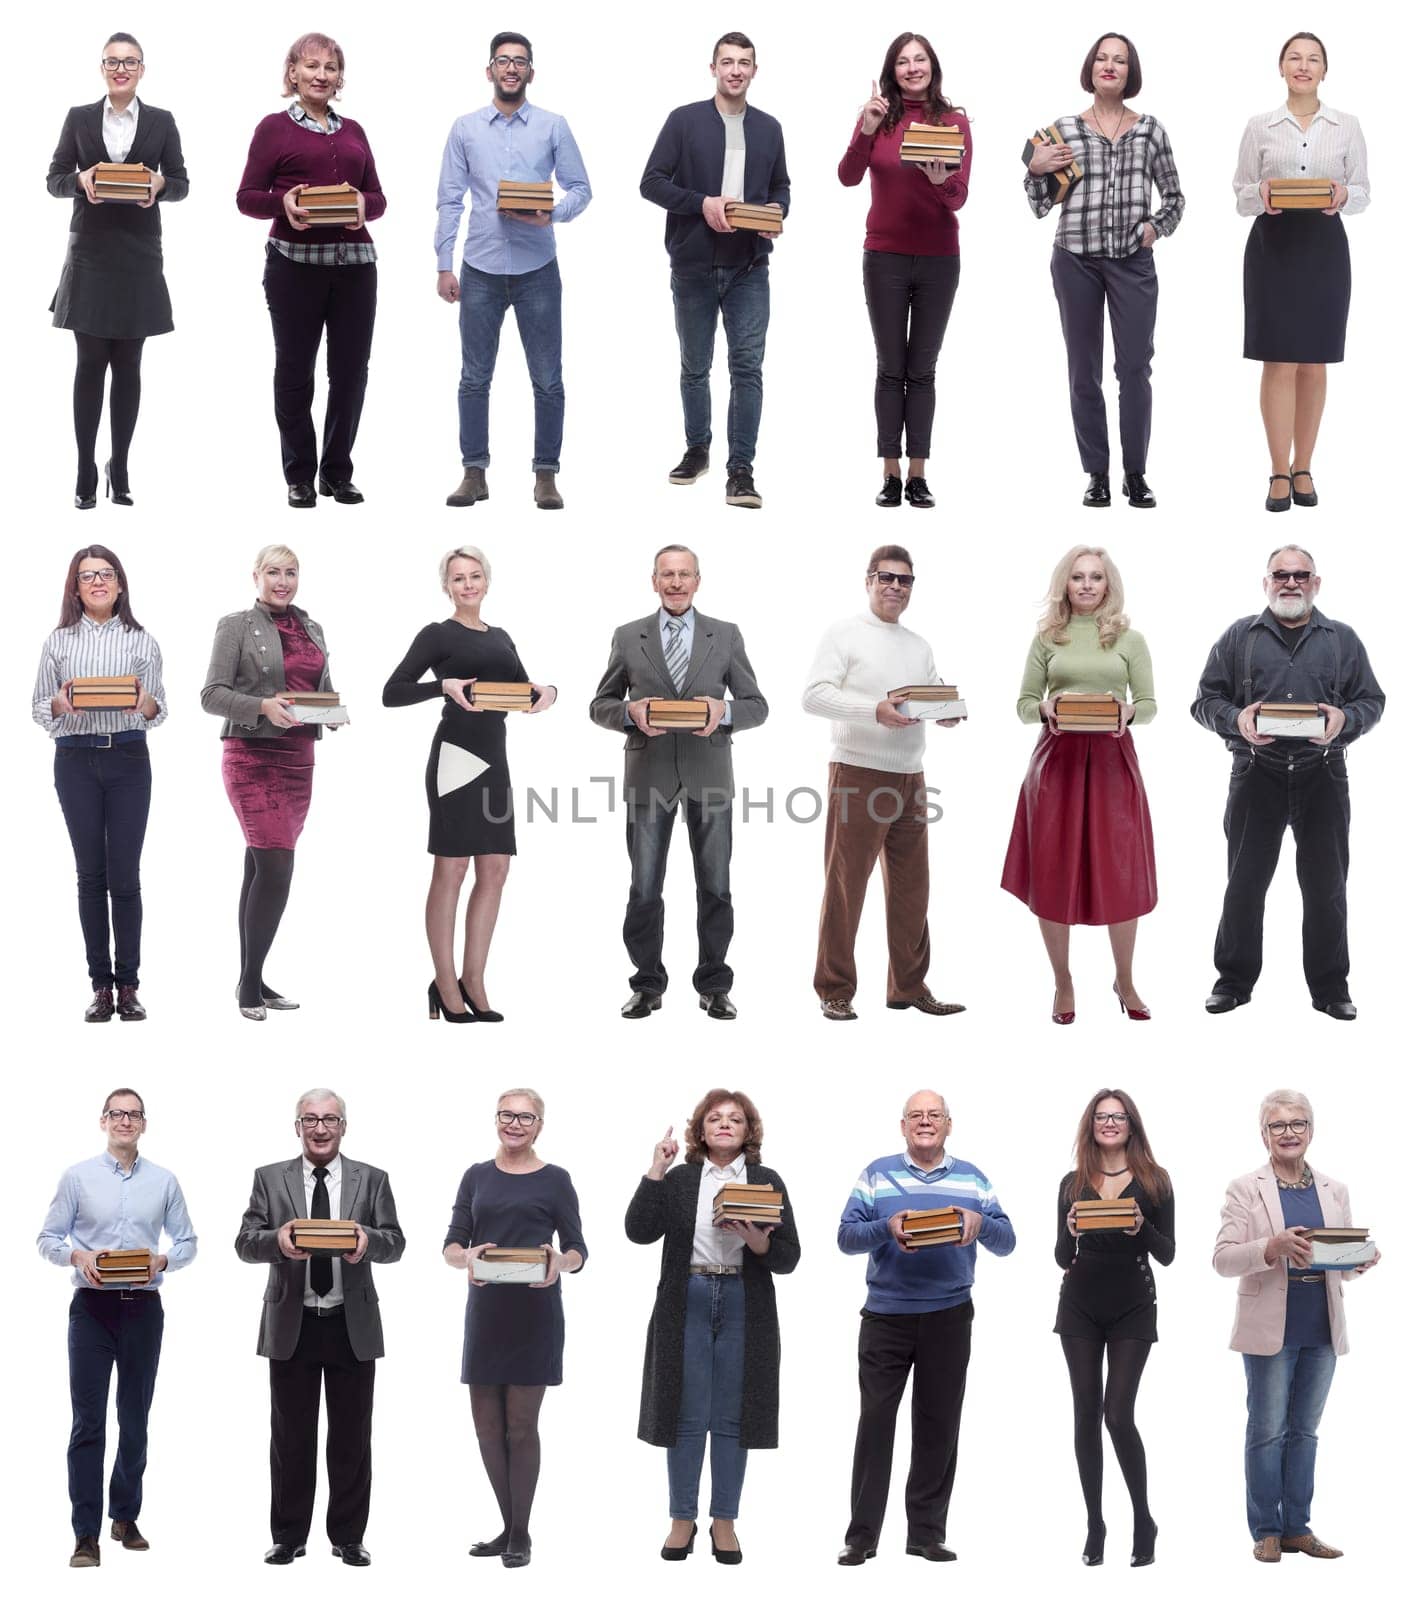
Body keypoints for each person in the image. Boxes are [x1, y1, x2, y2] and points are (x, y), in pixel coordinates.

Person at [1190, 545, 1384, 1019]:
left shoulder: (1342, 638)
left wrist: (1346, 717)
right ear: (1266, 582)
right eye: (1281, 574)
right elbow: (1204, 701)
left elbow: (1372, 701)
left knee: (1326, 888)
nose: (1290, 582)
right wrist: (1237, 719)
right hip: (1257, 773)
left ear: (1316, 583)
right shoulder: (1240, 637)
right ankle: (1232, 982)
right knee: (1244, 885)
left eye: (1301, 575)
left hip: (1324, 775)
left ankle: (1331, 989)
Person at [837, 1089, 1015, 1564]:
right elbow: (845, 1236)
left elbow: (1008, 1240)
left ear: (948, 1124)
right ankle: (861, 1537)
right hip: (886, 1316)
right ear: (902, 1126)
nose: (925, 1121)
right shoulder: (876, 1174)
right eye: (916, 1115)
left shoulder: (973, 1179)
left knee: (938, 1425)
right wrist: (886, 1227)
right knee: (875, 1423)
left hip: (949, 1315)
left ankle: (926, 1535)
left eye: (934, 1115)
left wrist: (981, 1221)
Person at [590, 544, 767, 1020]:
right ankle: (647, 985)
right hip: (648, 779)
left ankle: (714, 985)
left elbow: (757, 705)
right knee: (644, 888)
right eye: (667, 574)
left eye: (684, 574)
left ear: (697, 581)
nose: (675, 583)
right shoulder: (629, 636)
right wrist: (629, 712)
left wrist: (723, 711)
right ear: (654, 581)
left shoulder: (725, 635)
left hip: (710, 777)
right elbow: (599, 704)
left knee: (716, 887)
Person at [626, 1089, 800, 1564]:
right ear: (700, 1130)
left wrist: (758, 1244)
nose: (725, 1124)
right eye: (715, 1118)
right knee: (685, 1413)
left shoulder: (766, 1179)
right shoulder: (682, 1178)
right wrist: (656, 1169)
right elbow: (638, 1231)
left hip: (746, 1301)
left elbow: (789, 1258)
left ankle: (724, 1520)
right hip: (689, 1300)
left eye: (736, 1119)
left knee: (731, 1415)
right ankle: (682, 1519)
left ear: (749, 1131)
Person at [383, 546, 557, 1022]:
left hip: (494, 760)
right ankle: (444, 982)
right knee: (452, 869)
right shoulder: (437, 634)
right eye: (458, 578)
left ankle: (473, 979)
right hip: (456, 758)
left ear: (486, 580)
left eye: (475, 576)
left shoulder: (501, 636)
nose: (468, 585)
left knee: (496, 869)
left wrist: (549, 693)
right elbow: (391, 692)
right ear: (446, 585)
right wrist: (442, 686)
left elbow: (524, 689)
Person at [235, 1088, 405, 1567]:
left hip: (352, 1325)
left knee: (352, 1437)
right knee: (291, 1438)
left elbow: (396, 1242)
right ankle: (288, 1536)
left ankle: (348, 1536)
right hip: (293, 1322)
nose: (320, 1128)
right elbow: (246, 1242)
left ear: (343, 1126)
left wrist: (367, 1242)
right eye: (310, 1119)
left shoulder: (373, 1179)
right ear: (297, 1127)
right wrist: (278, 1240)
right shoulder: (269, 1179)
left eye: (330, 1119)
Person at [1213, 1090, 1379, 1563]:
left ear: (1311, 1130)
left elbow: (1339, 1264)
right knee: (1267, 1431)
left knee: (1304, 1432)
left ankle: (1297, 1528)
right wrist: (1272, 1246)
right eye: (1278, 1126)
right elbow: (1223, 1259)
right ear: (1263, 1134)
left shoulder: (1334, 1190)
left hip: (1321, 1329)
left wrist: (1359, 1260)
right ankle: (1266, 1529)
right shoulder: (1245, 1188)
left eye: (1298, 1124)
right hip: (1270, 1329)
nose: (1289, 1133)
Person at [37, 1088, 196, 1569]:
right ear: (103, 1121)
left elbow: (188, 1241)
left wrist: (163, 1258)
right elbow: (47, 1238)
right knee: (88, 1422)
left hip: (143, 1310)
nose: (125, 1121)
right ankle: (85, 1533)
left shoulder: (164, 1181)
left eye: (134, 1114)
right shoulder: (78, 1178)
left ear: (144, 1124)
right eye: (117, 1113)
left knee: (135, 1418)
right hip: (92, 1310)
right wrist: (76, 1255)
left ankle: (124, 1515)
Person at [1023, 33, 1184, 509]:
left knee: (1135, 369)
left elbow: (1175, 198)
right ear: (1090, 69)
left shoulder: (1150, 130)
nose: (1109, 66)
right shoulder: (1063, 130)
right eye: (1101, 59)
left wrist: (1155, 228)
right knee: (1083, 370)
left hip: (1133, 262)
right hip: (1075, 259)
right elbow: (1038, 205)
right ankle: (1097, 473)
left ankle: (1135, 473)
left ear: (1131, 72)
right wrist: (1035, 168)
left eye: (1120, 60)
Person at [804, 545, 964, 1022]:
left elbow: (930, 692)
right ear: (869, 580)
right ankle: (835, 989)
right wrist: (871, 709)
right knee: (846, 887)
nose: (896, 586)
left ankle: (908, 987)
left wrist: (946, 713)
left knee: (913, 889)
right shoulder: (844, 634)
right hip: (858, 772)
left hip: (911, 777)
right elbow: (814, 697)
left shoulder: (918, 645)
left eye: (905, 580)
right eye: (887, 578)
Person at [437, 32, 591, 511]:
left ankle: (546, 475)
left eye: (519, 62)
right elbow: (448, 199)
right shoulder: (464, 129)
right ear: (489, 71)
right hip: (479, 267)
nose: (511, 68)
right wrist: (444, 264)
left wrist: (554, 214)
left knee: (548, 378)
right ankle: (474, 471)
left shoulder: (553, 126)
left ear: (530, 72)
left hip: (537, 269)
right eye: (502, 61)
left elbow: (581, 189)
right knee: (473, 377)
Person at [1002, 546, 1157, 1023]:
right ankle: (1062, 981)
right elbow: (1025, 703)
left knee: (1121, 871)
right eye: (1077, 578)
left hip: (1112, 761)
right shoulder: (1048, 636)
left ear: (1109, 584)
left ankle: (1125, 979)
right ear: (1064, 584)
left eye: (1096, 577)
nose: (1087, 585)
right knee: (1053, 871)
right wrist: (1045, 708)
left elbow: (1148, 704)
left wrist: (1130, 712)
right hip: (1057, 766)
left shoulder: (1130, 639)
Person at [641, 31, 790, 509]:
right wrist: (701, 203)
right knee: (695, 367)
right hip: (693, 266)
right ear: (713, 69)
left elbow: (782, 186)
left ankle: (741, 470)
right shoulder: (683, 122)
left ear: (754, 71)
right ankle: (697, 449)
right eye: (727, 62)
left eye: (744, 62)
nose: (735, 70)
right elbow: (650, 183)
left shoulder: (769, 127)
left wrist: (775, 215)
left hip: (749, 267)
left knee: (747, 368)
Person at [236, 33, 385, 509]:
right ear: (293, 73)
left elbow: (378, 198)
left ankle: (337, 473)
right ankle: (299, 474)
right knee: (296, 372)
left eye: (331, 67)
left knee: (350, 373)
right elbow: (246, 197)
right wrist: (282, 202)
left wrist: (365, 203)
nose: (322, 75)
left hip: (356, 268)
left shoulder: (355, 130)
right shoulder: (273, 128)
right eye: (312, 66)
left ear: (340, 76)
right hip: (294, 268)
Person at [443, 1089, 587, 1567]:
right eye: (507, 1114)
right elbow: (452, 1243)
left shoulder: (556, 1179)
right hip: (485, 1315)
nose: (515, 1123)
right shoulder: (476, 1176)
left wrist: (557, 1262)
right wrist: (465, 1258)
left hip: (535, 1314)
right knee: (487, 1431)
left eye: (526, 1117)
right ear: (496, 1119)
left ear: (540, 1125)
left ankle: (521, 1534)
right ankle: (507, 1527)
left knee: (521, 1427)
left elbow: (578, 1249)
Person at [47, 33, 188, 509]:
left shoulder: (163, 121)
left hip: (140, 255)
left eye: (130, 62)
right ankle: (86, 468)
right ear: (102, 68)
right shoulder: (79, 118)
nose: (121, 69)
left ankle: (120, 466)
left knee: (129, 365)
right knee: (89, 365)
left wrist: (161, 184)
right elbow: (54, 180)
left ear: (142, 69)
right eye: (113, 61)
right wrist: (80, 180)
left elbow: (182, 183)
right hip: (91, 253)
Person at [200, 544, 339, 1020]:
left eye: (292, 573)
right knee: (277, 869)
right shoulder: (235, 625)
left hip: (300, 757)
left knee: (259, 869)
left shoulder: (311, 627)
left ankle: (252, 978)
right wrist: (262, 706)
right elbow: (212, 695)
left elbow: (318, 688)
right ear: (255, 576)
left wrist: (329, 711)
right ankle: (247, 989)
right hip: (253, 757)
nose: (283, 581)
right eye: (274, 572)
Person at [1234, 33, 1369, 512]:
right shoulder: (1260, 126)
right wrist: (1262, 193)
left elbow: (1363, 191)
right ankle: (1276, 470)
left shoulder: (1347, 125)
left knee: (1314, 360)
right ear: (1282, 67)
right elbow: (1240, 192)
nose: (1303, 65)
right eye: (1295, 57)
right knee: (1279, 359)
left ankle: (1304, 465)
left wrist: (1343, 195)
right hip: (1274, 246)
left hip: (1325, 248)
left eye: (1313, 59)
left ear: (1325, 70)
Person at [32, 547, 166, 1021]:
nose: (97, 582)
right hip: (74, 760)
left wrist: (146, 704)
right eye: (87, 576)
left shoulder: (141, 640)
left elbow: (160, 710)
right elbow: (37, 708)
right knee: (91, 876)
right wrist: (59, 706)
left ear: (120, 583)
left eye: (105, 574)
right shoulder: (59, 641)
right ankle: (100, 988)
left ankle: (128, 985)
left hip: (129, 758)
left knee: (125, 877)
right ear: (75, 587)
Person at [837, 34, 971, 508]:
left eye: (920, 60)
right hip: (885, 257)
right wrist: (866, 128)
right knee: (891, 368)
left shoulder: (953, 122)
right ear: (892, 71)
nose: (912, 68)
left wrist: (940, 183)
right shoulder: (878, 119)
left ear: (932, 66)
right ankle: (889, 472)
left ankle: (918, 474)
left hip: (939, 258)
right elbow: (848, 176)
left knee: (924, 369)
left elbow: (959, 197)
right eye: (902, 62)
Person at [1055, 1089, 1173, 1568]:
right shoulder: (1072, 1180)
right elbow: (1062, 1258)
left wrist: (1141, 1225)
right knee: (1085, 1414)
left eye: (1118, 1117)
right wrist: (1070, 1230)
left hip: (1132, 1305)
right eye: (1101, 1117)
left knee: (1117, 1415)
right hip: (1080, 1306)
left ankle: (1143, 1518)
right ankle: (1095, 1522)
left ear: (1132, 1124)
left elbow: (1166, 1253)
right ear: (1091, 1124)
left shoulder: (1155, 1180)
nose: (1109, 1123)